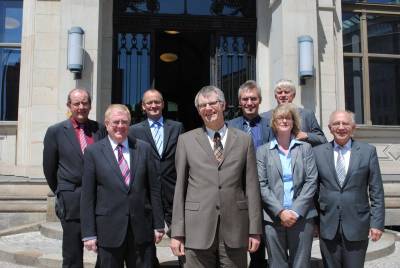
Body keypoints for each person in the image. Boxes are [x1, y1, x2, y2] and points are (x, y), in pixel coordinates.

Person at [170, 85, 262, 267]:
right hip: (196, 230)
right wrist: (177, 233)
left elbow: (251, 187)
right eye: (202, 106)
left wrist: (254, 230)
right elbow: (180, 188)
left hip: (235, 229)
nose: (208, 108)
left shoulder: (244, 140)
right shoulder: (186, 141)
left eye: (212, 103)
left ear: (223, 105)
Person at [80, 104, 164, 268]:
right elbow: (88, 196)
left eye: (124, 122)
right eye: (115, 122)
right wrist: (89, 233)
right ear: (107, 124)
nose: (120, 126)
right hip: (108, 230)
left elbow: (154, 189)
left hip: (141, 230)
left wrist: (159, 225)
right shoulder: (93, 152)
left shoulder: (144, 148)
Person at [42, 88, 106, 268]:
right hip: (71, 199)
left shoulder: (99, 129)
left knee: (106, 249)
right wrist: (62, 190)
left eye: (85, 103)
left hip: (98, 198)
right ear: (69, 105)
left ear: (90, 105)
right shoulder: (55, 131)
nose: (81, 107)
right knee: (72, 253)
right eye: (76, 103)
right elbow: (49, 168)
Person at [313, 110, 385, 268]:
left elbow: (376, 190)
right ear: (330, 128)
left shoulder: (368, 152)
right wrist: (314, 222)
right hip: (328, 225)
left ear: (353, 127)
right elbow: (314, 191)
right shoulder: (317, 153)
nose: (340, 127)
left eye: (345, 123)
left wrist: (377, 223)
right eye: (336, 124)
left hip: (357, 225)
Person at [257, 103, 318, 268]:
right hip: (273, 217)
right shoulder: (263, 151)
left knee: (301, 264)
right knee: (276, 264)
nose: (284, 120)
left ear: (293, 122)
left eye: (288, 118)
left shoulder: (305, 149)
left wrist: (295, 211)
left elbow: (312, 181)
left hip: (302, 217)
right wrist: (281, 211)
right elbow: (262, 185)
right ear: (274, 123)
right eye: (280, 118)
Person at [228, 80, 273, 267]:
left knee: (259, 240)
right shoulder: (229, 126)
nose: (249, 103)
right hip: (236, 188)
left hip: (263, 187)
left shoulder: (270, 125)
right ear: (239, 101)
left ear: (259, 100)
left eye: (253, 98)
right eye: (245, 99)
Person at [129, 89, 184, 230]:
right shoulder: (133, 131)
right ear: (143, 106)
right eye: (149, 102)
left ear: (163, 104)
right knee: (146, 242)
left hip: (172, 192)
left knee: (181, 239)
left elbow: (183, 157)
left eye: (157, 102)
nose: (153, 105)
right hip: (147, 193)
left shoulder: (177, 127)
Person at [262, 79, 327, 147]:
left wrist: (306, 135)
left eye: (286, 92)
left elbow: (322, 139)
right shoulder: (265, 117)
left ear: (293, 95)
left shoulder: (307, 115)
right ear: (275, 96)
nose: (283, 95)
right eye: (279, 92)